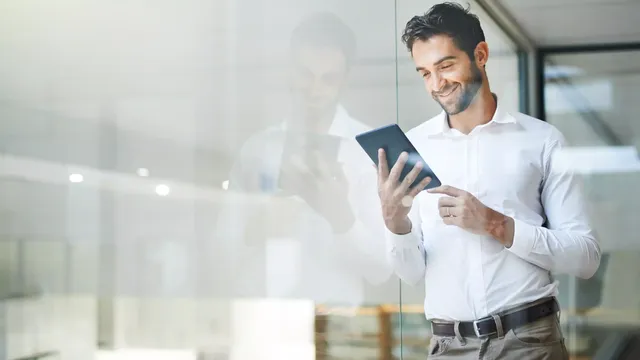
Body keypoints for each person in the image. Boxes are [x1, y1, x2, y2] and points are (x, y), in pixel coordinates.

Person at [377, 3, 601, 359]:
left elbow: (585, 257)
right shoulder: (414, 149)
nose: (437, 85)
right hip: (447, 347)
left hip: (529, 343)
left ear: (480, 54)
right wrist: (395, 223)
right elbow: (411, 274)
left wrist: (496, 224)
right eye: (425, 73)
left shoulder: (542, 140)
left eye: (446, 66)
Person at [215, 12, 390, 311]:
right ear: (289, 71)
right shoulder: (257, 149)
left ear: (344, 80)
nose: (314, 89)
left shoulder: (370, 153)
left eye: (328, 78)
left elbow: (382, 270)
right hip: (259, 317)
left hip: (335, 328)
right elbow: (218, 253)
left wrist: (341, 219)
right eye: (305, 74)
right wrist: (255, 230)